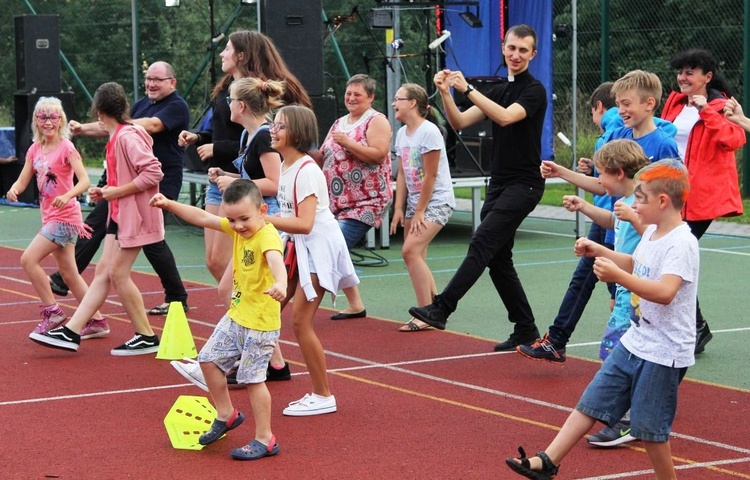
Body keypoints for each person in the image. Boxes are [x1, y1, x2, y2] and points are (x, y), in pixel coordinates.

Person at [505, 158, 698, 480]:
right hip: (636, 340)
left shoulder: (682, 243)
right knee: (590, 403)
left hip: (665, 351)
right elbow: (635, 263)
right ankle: (547, 461)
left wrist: (619, 277)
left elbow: (665, 291)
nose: (633, 202)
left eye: (641, 198)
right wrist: (599, 250)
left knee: (650, 430)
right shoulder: (652, 232)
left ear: (663, 201)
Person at [520, 71, 679, 363]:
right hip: (615, 223)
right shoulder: (618, 136)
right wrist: (562, 172)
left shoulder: (663, 145)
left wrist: (650, 225)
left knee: (638, 298)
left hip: (642, 237)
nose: (621, 110)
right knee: (601, 283)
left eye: (627, 103)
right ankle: (562, 341)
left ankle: (655, 354)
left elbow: (675, 195)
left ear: (649, 104)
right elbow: (602, 182)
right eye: (618, 104)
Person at [408, 24, 547, 351]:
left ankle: (442, 307)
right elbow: (458, 122)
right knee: (498, 259)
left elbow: (506, 118)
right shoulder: (499, 89)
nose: (515, 55)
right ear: (503, 47)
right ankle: (525, 329)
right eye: (511, 48)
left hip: (524, 185)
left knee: (483, 240)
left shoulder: (534, 90)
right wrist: (445, 91)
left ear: (532, 54)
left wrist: (467, 88)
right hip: (499, 185)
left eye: (523, 50)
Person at [150, 180, 286, 461]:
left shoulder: (266, 237)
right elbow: (202, 217)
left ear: (262, 210)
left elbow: (275, 261)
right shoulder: (238, 229)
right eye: (232, 220)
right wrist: (169, 204)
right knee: (208, 359)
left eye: (244, 219)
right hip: (236, 315)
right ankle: (226, 413)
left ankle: (265, 438)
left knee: (252, 380)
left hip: (260, 324)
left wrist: (281, 284)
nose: (237, 226)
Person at [29, 82, 164, 356]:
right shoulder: (117, 134)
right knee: (104, 273)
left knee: (117, 273)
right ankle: (73, 330)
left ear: (99, 110)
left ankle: (146, 334)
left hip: (133, 215)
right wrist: (107, 192)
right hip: (118, 213)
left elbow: (153, 172)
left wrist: (117, 191)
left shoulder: (127, 137)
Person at [47, 61, 190, 317]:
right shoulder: (141, 106)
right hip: (124, 184)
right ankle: (64, 277)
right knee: (97, 221)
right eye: (148, 78)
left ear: (172, 82)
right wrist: (81, 130)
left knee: (152, 241)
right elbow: (112, 125)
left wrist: (115, 124)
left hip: (158, 182)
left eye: (157, 79)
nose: (151, 84)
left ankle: (177, 297)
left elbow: (150, 126)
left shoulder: (176, 106)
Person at [178, 30, 311, 287]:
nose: (222, 54)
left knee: (229, 262)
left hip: (247, 187)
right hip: (226, 180)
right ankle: (242, 308)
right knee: (215, 261)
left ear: (241, 54)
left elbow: (264, 142)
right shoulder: (227, 91)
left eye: (227, 48)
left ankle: (246, 310)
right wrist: (199, 137)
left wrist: (217, 149)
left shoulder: (255, 97)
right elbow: (230, 135)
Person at [267, 105, 359, 416]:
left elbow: (305, 223)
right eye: (274, 124)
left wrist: (264, 220)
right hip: (300, 248)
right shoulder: (285, 165)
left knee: (300, 321)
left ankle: (323, 394)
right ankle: (227, 362)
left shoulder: (306, 171)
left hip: (316, 250)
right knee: (267, 307)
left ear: (297, 133)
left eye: (280, 126)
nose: (273, 130)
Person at [661, 49, 746, 354]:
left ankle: (694, 327)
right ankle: (695, 327)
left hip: (701, 198)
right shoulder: (674, 101)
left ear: (706, 77)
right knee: (669, 257)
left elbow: (733, 140)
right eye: (680, 71)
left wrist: (706, 110)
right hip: (671, 193)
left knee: (673, 255)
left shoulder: (721, 105)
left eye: (690, 72)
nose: (683, 77)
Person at [6, 96, 105, 336]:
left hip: (65, 218)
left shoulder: (66, 147)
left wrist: (68, 195)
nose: (48, 121)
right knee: (70, 274)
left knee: (28, 260)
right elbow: (24, 178)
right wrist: (14, 189)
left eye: (53, 117)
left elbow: (84, 181)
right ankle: (98, 322)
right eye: (43, 117)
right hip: (50, 216)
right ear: (36, 121)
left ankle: (53, 312)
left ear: (60, 120)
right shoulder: (35, 149)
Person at [204, 77, 284, 310]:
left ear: (242, 106)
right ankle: (246, 324)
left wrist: (233, 183)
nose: (227, 104)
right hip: (251, 212)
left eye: (231, 100)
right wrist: (227, 175)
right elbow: (251, 178)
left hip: (264, 215)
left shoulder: (263, 136)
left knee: (240, 284)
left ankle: (251, 324)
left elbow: (273, 183)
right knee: (229, 284)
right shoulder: (246, 136)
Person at [318, 73, 392, 320]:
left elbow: (378, 155)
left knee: (332, 247)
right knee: (337, 249)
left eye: (357, 94)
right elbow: (323, 155)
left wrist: (348, 142)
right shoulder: (339, 122)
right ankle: (356, 304)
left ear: (370, 97)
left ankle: (307, 301)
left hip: (365, 201)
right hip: (336, 201)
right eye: (348, 93)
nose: (351, 98)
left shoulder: (376, 121)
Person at [388, 83, 454, 332]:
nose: (394, 104)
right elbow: (403, 173)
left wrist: (419, 212)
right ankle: (436, 306)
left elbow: (430, 175)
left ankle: (425, 313)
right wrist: (399, 209)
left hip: (436, 201)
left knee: (410, 252)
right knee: (417, 255)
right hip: (416, 204)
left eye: (398, 99)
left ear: (413, 103)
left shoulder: (430, 132)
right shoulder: (402, 133)